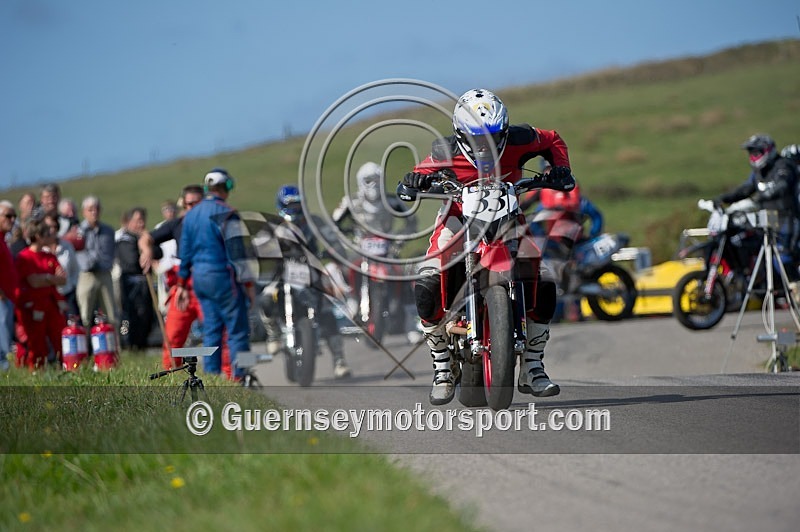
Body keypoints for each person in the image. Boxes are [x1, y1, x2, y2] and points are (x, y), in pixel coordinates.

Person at [400, 88, 575, 405]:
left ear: (505, 129)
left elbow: (553, 140)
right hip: (458, 218)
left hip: (508, 216)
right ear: (461, 133)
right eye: (478, 137)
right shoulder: (444, 152)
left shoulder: (523, 138)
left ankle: (533, 365)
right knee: (427, 279)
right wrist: (411, 184)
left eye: (494, 136)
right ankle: (442, 365)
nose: (487, 145)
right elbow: (416, 174)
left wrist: (561, 169)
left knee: (546, 279)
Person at [139, 184, 232, 374]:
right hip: (183, 289)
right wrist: (147, 250)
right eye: (187, 204)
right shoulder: (178, 224)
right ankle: (171, 376)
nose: (191, 208)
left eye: (195, 204)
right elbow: (145, 238)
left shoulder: (216, 223)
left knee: (220, 335)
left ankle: (230, 379)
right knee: (172, 335)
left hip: (209, 286)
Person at [266, 184, 352, 378]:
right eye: (291, 206)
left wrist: (336, 254)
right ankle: (273, 333)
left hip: (310, 270)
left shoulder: (315, 222)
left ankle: (339, 359)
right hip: (282, 271)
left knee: (327, 310)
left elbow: (333, 240)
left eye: (298, 206)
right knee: (265, 298)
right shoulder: (273, 225)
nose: (295, 210)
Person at [177, 169, 255, 380]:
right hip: (223, 278)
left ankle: (211, 379)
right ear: (226, 187)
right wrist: (248, 286)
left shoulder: (190, 215)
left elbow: (184, 254)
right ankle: (242, 376)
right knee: (238, 330)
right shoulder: (228, 213)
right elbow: (237, 253)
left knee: (211, 330)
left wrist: (182, 285)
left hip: (199, 280)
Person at [332, 161, 420, 341]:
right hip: (360, 249)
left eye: (375, 180)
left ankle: (411, 324)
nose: (372, 184)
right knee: (346, 269)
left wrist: (400, 238)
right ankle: (352, 300)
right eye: (368, 180)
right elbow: (335, 223)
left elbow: (411, 221)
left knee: (404, 279)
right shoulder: (351, 202)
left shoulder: (392, 201)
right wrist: (347, 238)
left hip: (388, 250)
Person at [714, 134, 800, 265]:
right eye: (752, 153)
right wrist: (723, 199)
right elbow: (745, 189)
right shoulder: (757, 173)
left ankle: (794, 283)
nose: (754, 156)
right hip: (768, 218)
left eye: (757, 152)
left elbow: (783, 185)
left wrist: (762, 196)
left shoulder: (783, 166)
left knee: (782, 259)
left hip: (787, 218)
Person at [14, 217, 67, 370]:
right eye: (46, 234)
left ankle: (65, 367)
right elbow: (33, 282)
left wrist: (44, 278)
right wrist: (51, 278)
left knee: (59, 339)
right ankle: (35, 372)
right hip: (32, 308)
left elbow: (63, 279)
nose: (50, 237)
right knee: (36, 343)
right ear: (38, 236)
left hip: (52, 305)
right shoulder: (24, 257)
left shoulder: (50, 256)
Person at [75, 195, 117, 328]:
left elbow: (112, 251)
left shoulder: (108, 231)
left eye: (97, 209)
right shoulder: (78, 231)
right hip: (87, 275)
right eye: (90, 209)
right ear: (84, 212)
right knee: (85, 314)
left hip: (105, 274)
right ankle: (85, 345)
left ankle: (114, 345)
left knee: (111, 313)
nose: (94, 212)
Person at [116, 207, 153, 351]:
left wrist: (147, 248)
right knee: (133, 314)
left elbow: (158, 252)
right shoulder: (124, 239)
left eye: (143, 220)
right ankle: (133, 345)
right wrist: (144, 250)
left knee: (146, 315)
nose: (141, 224)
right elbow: (132, 261)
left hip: (144, 282)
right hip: (131, 283)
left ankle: (142, 343)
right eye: (137, 220)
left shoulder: (144, 238)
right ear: (129, 222)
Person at [43, 213, 80, 320]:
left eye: (54, 226)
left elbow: (75, 269)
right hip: (47, 296)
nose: (52, 230)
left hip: (67, 294)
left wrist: (72, 285)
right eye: (48, 227)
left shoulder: (66, 245)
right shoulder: (40, 249)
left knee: (73, 324)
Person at [0, 200, 19, 371]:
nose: (12, 220)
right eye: (8, 216)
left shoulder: (3, 239)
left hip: (8, 297)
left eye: (14, 216)